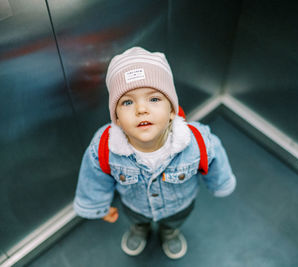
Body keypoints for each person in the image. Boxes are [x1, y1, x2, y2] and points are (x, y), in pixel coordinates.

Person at [73, 47, 236, 260]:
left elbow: (215, 158)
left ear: (172, 111)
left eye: (154, 99)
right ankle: (140, 229)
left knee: (174, 221)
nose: (141, 109)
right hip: (134, 206)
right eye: (127, 102)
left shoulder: (196, 141)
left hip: (179, 206)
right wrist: (98, 206)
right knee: (136, 219)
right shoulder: (104, 146)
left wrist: (220, 183)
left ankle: (170, 232)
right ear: (117, 118)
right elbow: (94, 176)